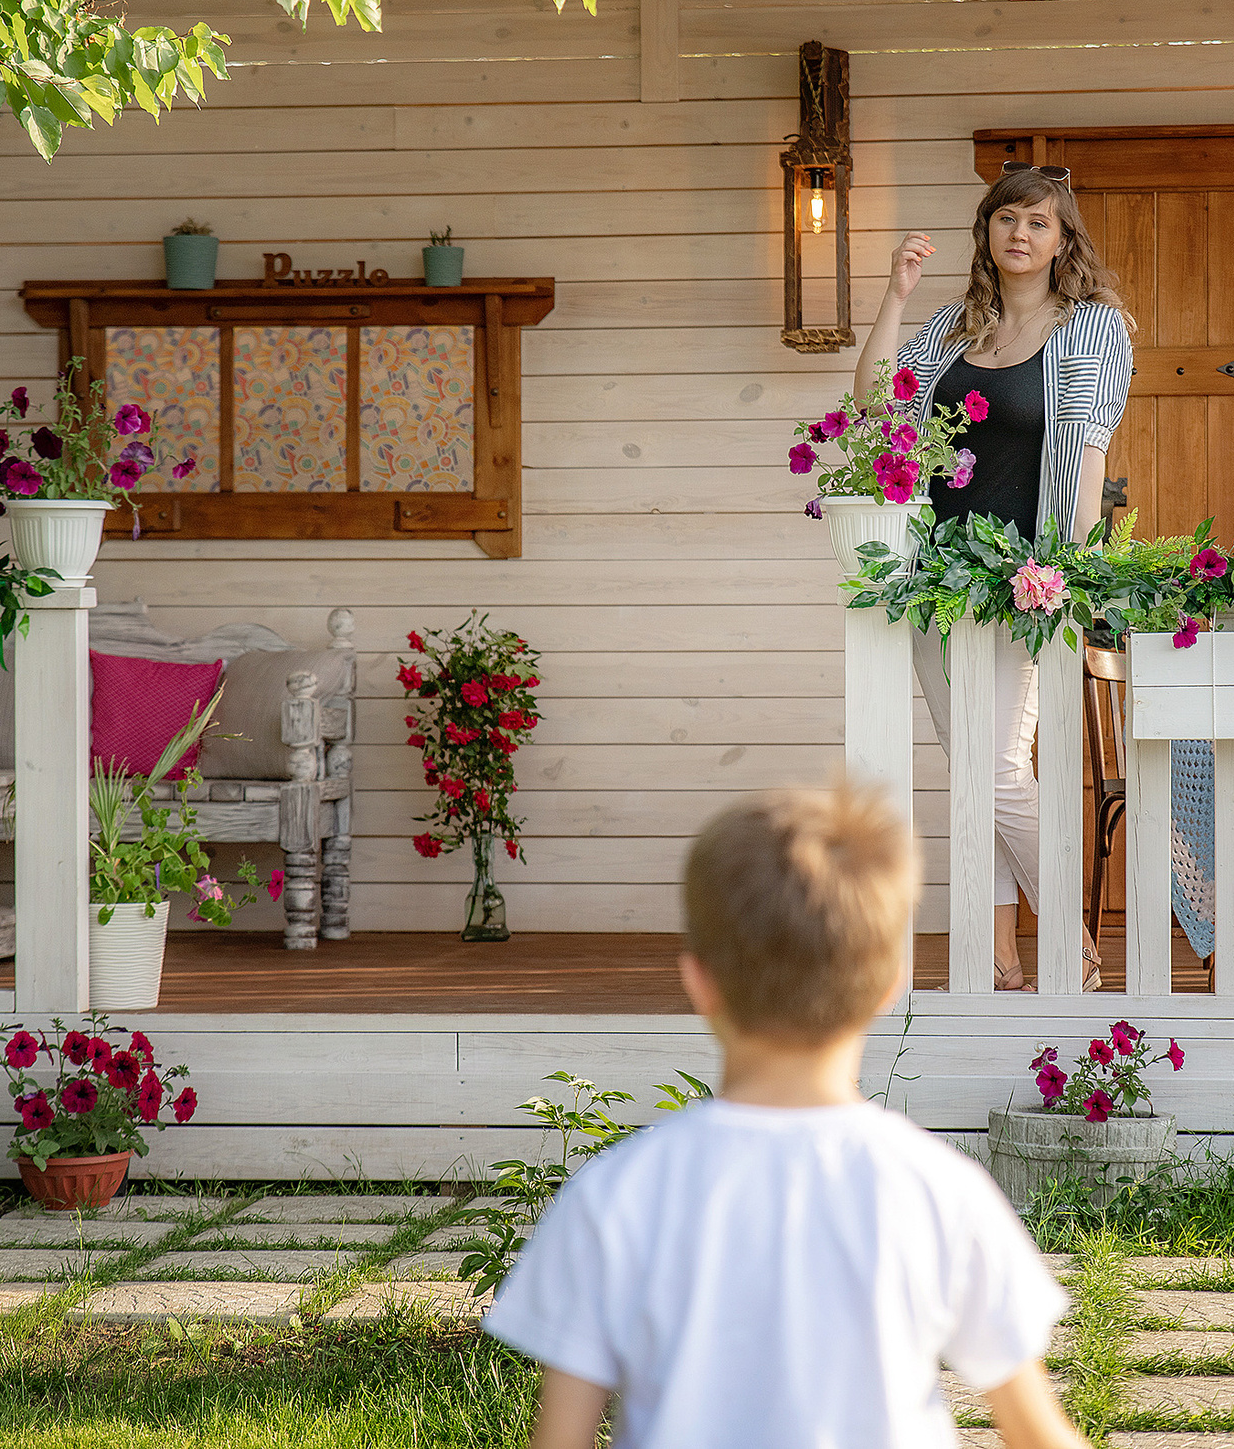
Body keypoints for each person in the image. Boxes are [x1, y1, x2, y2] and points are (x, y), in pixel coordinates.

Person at [485, 782, 1084, 1449]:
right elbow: (1038, 1433)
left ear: (698, 980)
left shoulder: (613, 1193)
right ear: (890, 985)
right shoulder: (941, 1190)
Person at [852, 161, 1132, 992]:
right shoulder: (951, 327)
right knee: (969, 759)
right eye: (1007, 218)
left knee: (996, 765)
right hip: (935, 575)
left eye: (1039, 222)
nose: (1021, 233)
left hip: (1026, 574)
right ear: (987, 232)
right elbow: (872, 405)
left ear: (1061, 239)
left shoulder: (1091, 329)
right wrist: (897, 293)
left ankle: (1073, 937)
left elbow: (1088, 454)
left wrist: (1070, 570)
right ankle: (1000, 954)